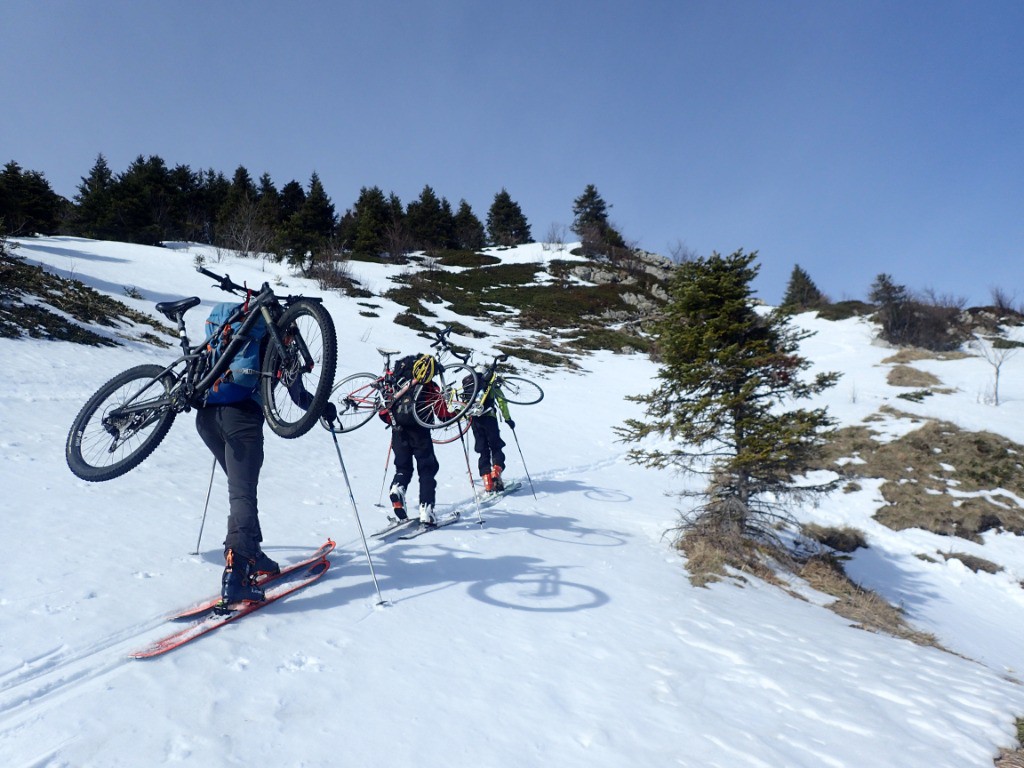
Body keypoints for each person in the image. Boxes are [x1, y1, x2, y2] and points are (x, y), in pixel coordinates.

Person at [196, 305, 336, 605]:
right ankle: (237, 573)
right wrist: (324, 406)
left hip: (206, 418)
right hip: (243, 420)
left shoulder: (234, 333)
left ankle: (251, 552)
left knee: (241, 491)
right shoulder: (276, 344)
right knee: (242, 494)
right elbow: (299, 396)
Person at [383, 353, 448, 526]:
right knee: (427, 469)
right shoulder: (429, 386)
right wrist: (459, 415)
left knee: (403, 468)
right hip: (421, 432)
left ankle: (398, 489)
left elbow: (384, 412)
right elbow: (443, 414)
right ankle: (426, 510)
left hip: (398, 431)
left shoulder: (398, 384)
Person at [469, 364, 514, 493]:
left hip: (474, 421)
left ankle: (487, 481)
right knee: (495, 446)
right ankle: (496, 471)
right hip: (490, 419)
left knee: (482, 450)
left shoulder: (470, 386)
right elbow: (502, 402)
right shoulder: (491, 386)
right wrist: (508, 419)